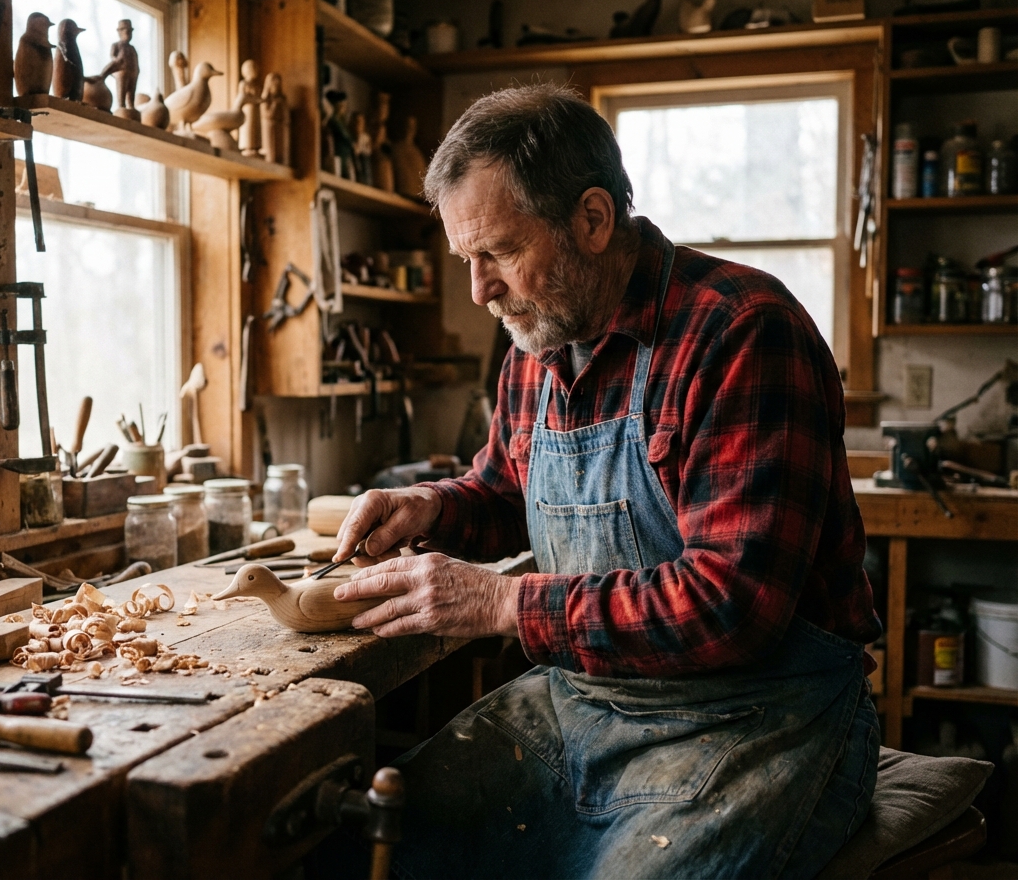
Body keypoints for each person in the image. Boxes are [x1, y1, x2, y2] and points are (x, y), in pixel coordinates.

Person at [329, 83, 882, 879]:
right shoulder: (538, 337)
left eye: (500, 253)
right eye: (466, 260)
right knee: (370, 842)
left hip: (760, 719)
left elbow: (733, 606)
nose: (480, 290)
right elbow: (502, 491)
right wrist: (428, 509)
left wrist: (500, 603)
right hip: (583, 703)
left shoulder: (742, 331)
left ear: (592, 219)